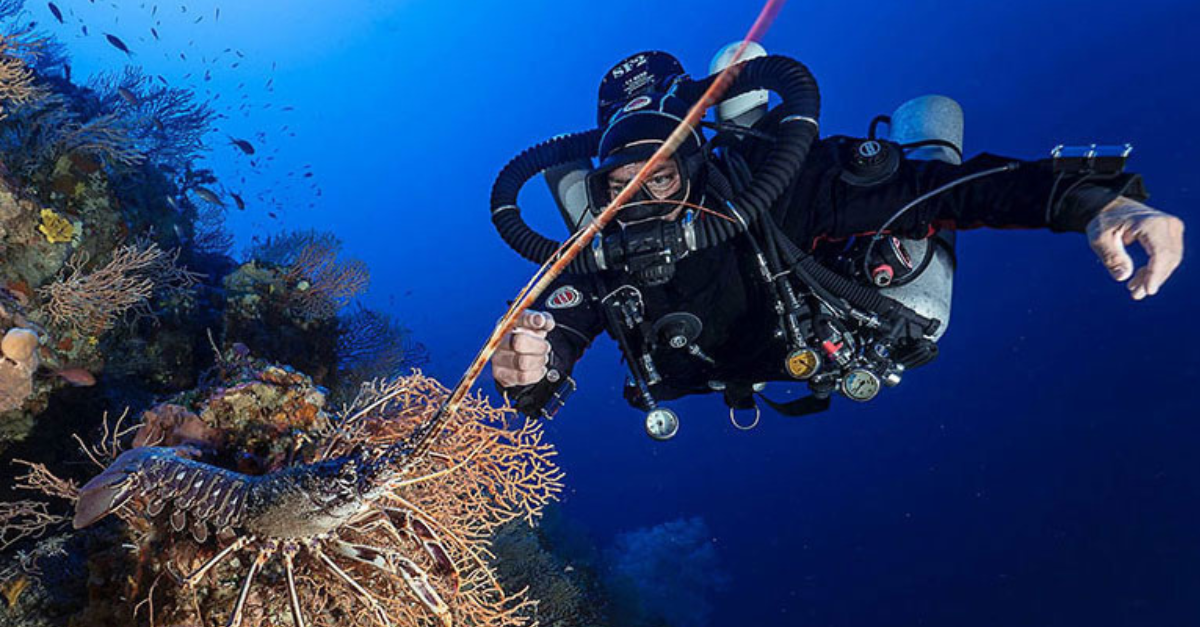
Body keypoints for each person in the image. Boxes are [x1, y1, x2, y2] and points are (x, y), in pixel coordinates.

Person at [486, 49, 1185, 437]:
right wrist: (533, 366)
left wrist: (1093, 200)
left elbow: (951, 191)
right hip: (712, 369)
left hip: (832, 340)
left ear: (694, 158)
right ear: (598, 186)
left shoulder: (779, 182)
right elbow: (556, 326)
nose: (642, 198)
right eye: (622, 184)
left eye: (662, 171)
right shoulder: (597, 248)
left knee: (916, 254)